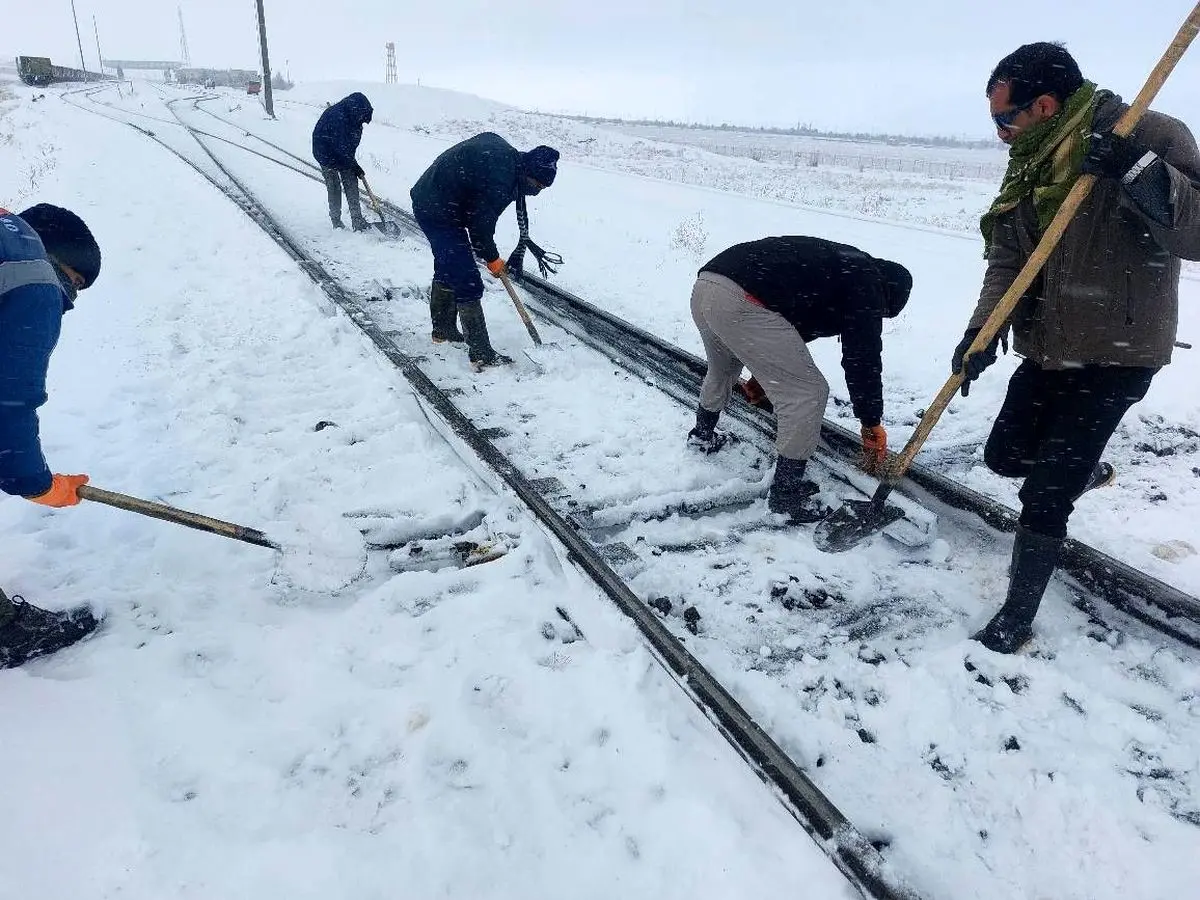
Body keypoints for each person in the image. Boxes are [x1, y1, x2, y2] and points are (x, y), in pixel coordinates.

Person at [953, 42, 1200, 654]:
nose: (1002, 133)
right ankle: (1080, 474)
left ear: (1043, 104)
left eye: (1005, 119)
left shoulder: (1150, 132)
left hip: (1118, 353)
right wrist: (980, 333)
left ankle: (1017, 611)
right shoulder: (1032, 161)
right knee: (1005, 455)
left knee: (1043, 493)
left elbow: (1198, 233)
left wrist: (1137, 171)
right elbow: (1009, 258)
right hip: (1048, 347)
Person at [686, 236, 912, 523]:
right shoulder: (866, 285)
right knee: (809, 392)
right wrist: (870, 422)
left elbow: (793, 326)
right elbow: (862, 357)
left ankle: (702, 437)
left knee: (723, 368)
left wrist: (763, 375)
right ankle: (786, 498)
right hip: (742, 300)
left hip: (707, 285)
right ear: (887, 294)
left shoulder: (843, 268)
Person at [0, 204, 103, 668]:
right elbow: (8, 402)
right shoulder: (33, 277)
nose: (71, 300)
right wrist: (38, 483)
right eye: (75, 283)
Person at [410, 133, 560, 369]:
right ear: (528, 173)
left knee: (450, 265)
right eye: (537, 185)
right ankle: (480, 353)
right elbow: (480, 226)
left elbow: (479, 212)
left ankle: (443, 330)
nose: (538, 190)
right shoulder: (501, 179)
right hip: (435, 207)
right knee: (467, 279)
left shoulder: (511, 165)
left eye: (543, 187)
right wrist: (492, 258)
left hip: (444, 199)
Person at [311, 92, 374, 231]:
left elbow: (348, 146)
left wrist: (354, 164)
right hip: (325, 152)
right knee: (334, 185)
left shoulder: (355, 120)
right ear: (358, 112)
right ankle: (336, 220)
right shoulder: (338, 117)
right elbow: (341, 146)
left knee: (351, 181)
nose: (362, 123)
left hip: (342, 152)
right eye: (363, 119)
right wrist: (354, 165)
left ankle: (357, 221)